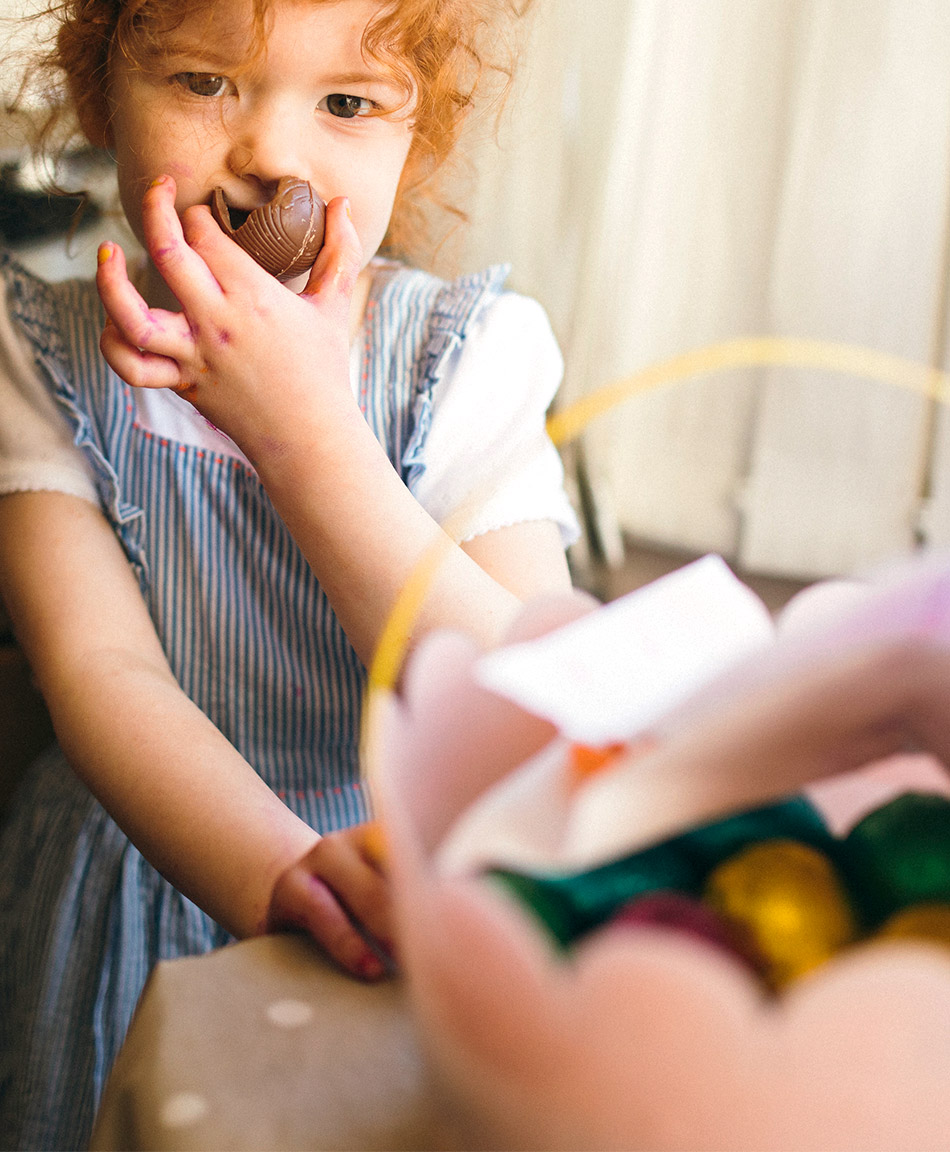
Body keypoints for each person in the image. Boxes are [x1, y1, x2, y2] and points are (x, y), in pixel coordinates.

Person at [0, 0, 578, 1145]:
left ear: (418, 137)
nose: (269, 153)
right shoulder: (31, 354)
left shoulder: (466, 361)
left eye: (347, 103)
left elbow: (522, 700)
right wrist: (280, 875)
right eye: (205, 83)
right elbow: (101, 672)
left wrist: (303, 432)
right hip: (130, 888)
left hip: (393, 893)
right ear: (107, 96)